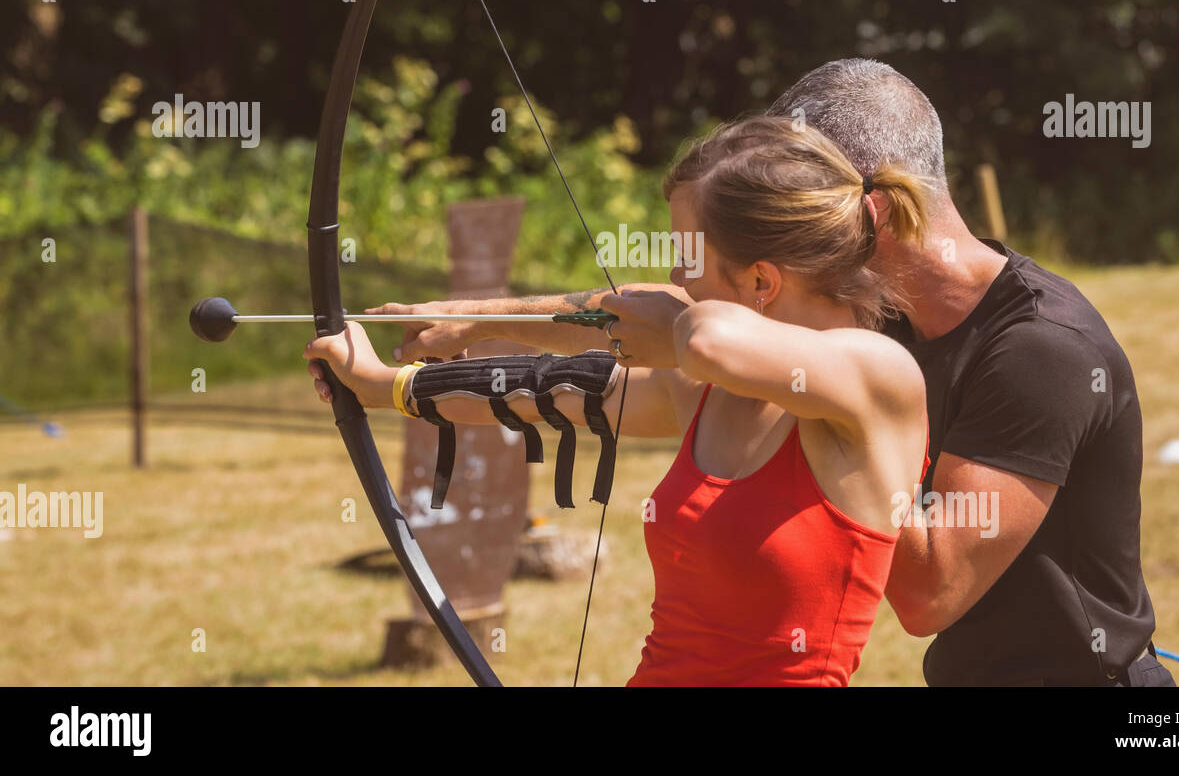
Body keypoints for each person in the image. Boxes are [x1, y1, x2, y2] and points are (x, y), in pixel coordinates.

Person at [383, 58, 1171, 687]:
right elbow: (670, 318)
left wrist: (859, 436)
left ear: (869, 215)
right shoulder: (857, 312)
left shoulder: (1039, 351)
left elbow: (931, 589)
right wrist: (473, 321)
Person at [306, 115, 933, 685]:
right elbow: (549, 392)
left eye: (688, 259)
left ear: (762, 281)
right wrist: (385, 382)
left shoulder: (877, 378)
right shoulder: (709, 388)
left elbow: (707, 335)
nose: (677, 281)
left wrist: (672, 328)